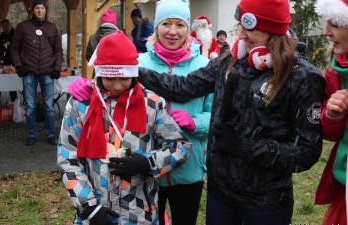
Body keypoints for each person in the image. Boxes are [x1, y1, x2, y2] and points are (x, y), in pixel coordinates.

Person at [133, 0, 325, 224]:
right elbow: (183, 87)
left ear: (273, 31)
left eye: (249, 29)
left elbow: (305, 152)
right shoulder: (232, 59)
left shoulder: (302, 77)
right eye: (240, 27)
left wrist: (243, 147)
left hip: (265, 203)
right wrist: (129, 70)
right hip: (220, 196)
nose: (241, 36)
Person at [67, 1, 213, 224]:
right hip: (138, 179)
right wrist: (85, 86)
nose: (172, 31)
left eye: (180, 24)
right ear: (156, 27)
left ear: (187, 28)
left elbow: (217, 115)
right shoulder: (139, 61)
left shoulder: (205, 66)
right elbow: (110, 71)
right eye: (166, 23)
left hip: (184, 170)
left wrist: (195, 123)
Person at [11, 0, 63, 146]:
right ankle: (31, 134)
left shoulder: (52, 28)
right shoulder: (23, 27)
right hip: (28, 71)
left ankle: (51, 134)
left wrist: (57, 67)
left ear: (46, 10)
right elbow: (14, 48)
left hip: (47, 71)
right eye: (37, 8)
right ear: (32, 10)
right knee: (30, 106)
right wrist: (18, 65)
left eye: (42, 8)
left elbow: (58, 50)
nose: (39, 11)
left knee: (49, 106)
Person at [314, 0, 348, 224]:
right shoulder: (335, 71)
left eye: (334, 23)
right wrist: (333, 115)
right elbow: (329, 133)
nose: (326, 31)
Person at [0, 19, 17, 105]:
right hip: (7, 61)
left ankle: (27, 100)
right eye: (3, 26)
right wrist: (2, 48)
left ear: (10, 24)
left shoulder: (18, 34)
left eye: (6, 25)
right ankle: (13, 100)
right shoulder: (1, 37)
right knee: (9, 81)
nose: (5, 27)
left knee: (21, 81)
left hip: (18, 61)